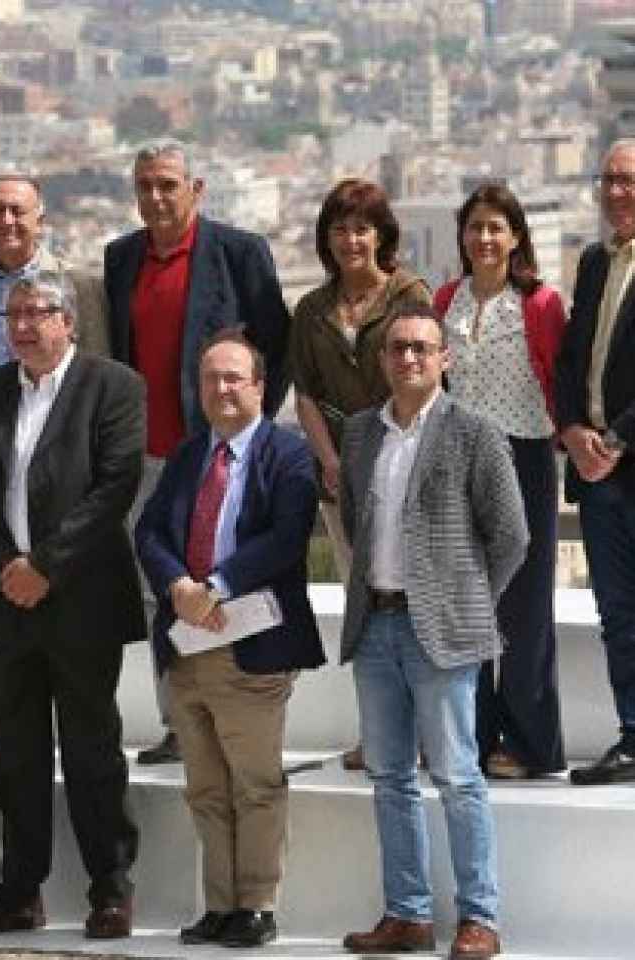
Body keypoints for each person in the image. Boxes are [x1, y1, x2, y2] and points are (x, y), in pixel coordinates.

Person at [0, 278, 145, 941]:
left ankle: (111, 890)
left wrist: (46, 567)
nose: (24, 326)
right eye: (14, 315)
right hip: (8, 603)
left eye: (39, 313)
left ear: (69, 322)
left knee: (92, 750)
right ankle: (18, 893)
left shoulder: (112, 385)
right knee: (16, 757)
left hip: (82, 600)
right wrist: (8, 566)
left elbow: (115, 485)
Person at [337, 312, 526, 960]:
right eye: (397, 348)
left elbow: (511, 535)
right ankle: (407, 915)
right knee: (389, 776)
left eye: (421, 347)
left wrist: (464, 602)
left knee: (457, 775)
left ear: (444, 358)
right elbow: (359, 524)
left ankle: (479, 920)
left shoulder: (476, 434)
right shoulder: (361, 433)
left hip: (440, 631)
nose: (409, 357)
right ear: (384, 359)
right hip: (376, 626)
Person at [134, 328, 325, 948]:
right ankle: (220, 906)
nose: (220, 389)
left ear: (260, 388)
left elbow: (286, 537)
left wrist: (213, 584)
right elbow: (151, 533)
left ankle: (258, 905)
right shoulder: (191, 455)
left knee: (256, 784)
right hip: (187, 646)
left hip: (251, 647)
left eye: (233, 378)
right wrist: (178, 589)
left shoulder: (288, 454)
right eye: (211, 378)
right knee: (207, 789)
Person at [105, 139, 292, 766]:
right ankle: (179, 721)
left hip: (215, 452)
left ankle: (236, 714)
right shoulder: (120, 258)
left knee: (228, 580)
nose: (156, 198)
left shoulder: (239, 255)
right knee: (164, 591)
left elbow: (276, 350)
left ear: (196, 189)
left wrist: (246, 435)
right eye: (146, 186)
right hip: (148, 457)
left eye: (167, 185)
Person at [0, 172, 110, 766]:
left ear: (40, 218)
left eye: (17, 212)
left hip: (61, 469)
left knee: (64, 600)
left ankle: (67, 727)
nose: (6, 222)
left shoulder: (81, 286)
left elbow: (99, 372)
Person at [288, 177, 431, 772]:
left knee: (414, 603)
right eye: (340, 229)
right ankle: (378, 733)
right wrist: (329, 459)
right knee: (363, 609)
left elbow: (426, 380)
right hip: (340, 479)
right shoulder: (313, 309)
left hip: (403, 470)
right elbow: (305, 394)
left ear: (382, 235)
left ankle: (424, 733)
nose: (351, 240)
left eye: (362, 228)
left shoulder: (409, 294)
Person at [432, 183, 567, 781]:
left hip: (525, 457)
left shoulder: (537, 304)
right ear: (462, 236)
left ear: (516, 237)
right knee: (468, 605)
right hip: (461, 461)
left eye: (496, 228)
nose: (484, 239)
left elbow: (558, 384)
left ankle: (533, 744)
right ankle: (476, 736)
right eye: (475, 227)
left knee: (524, 608)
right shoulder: (446, 300)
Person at [557, 140, 635, 787]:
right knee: (617, 615)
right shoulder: (591, 261)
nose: (616, 192)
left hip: (624, 461)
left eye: (628, 180)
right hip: (596, 472)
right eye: (608, 179)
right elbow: (570, 358)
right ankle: (633, 736)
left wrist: (617, 441)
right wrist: (573, 430)